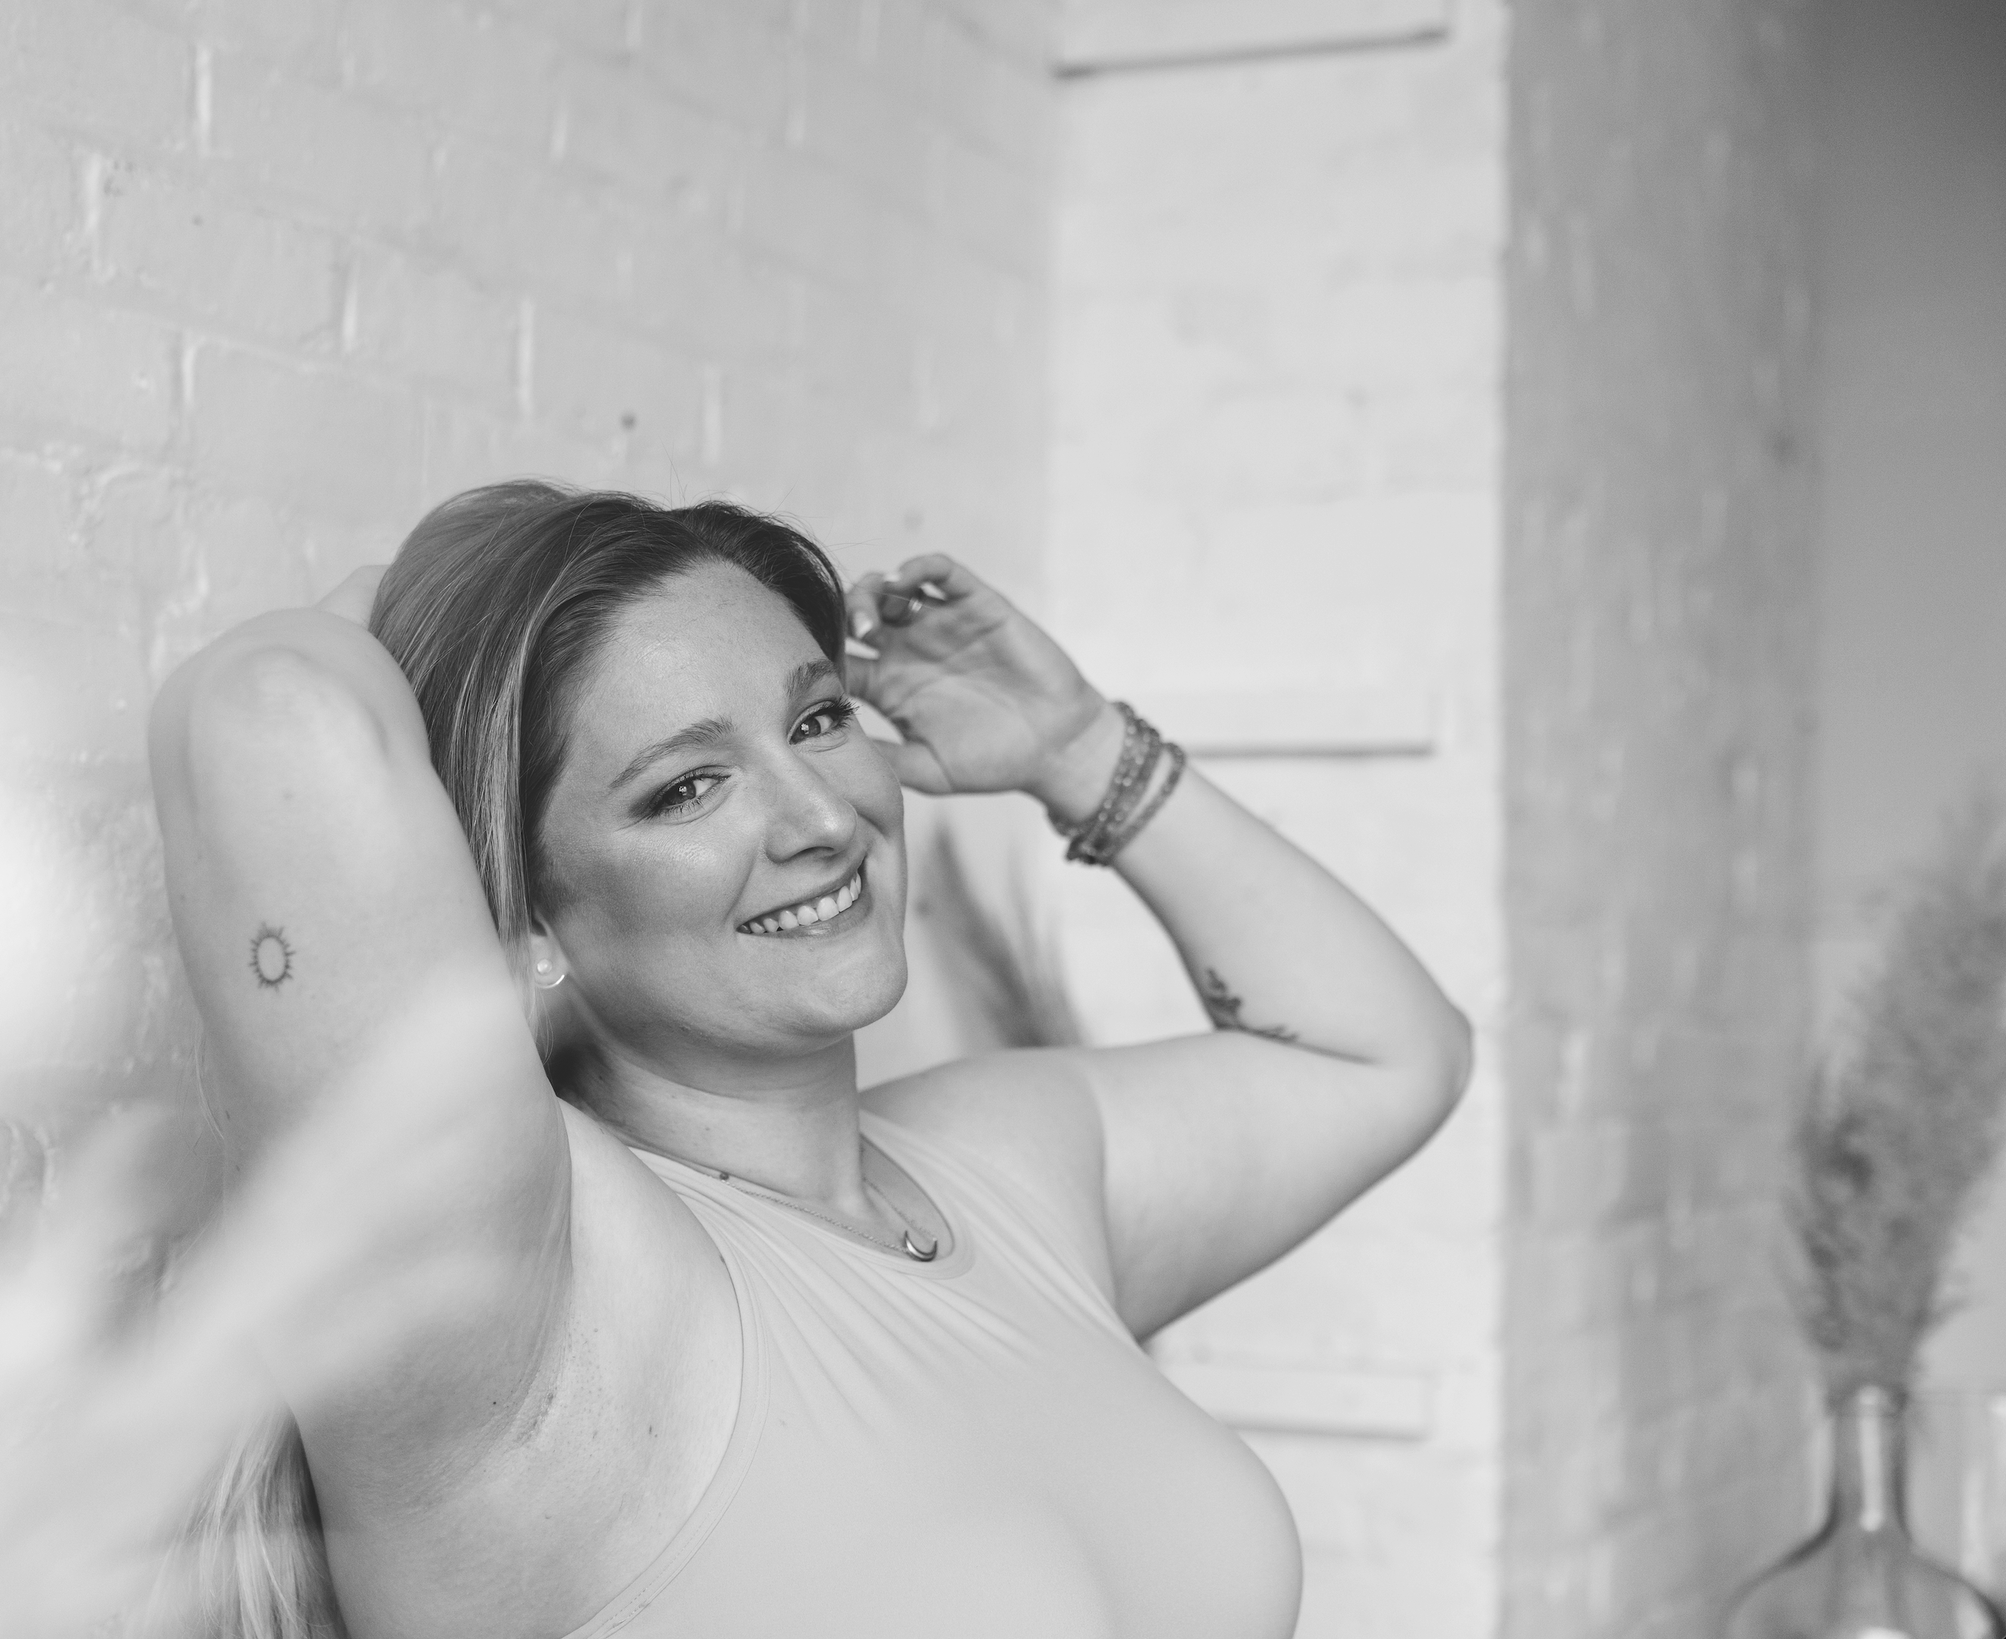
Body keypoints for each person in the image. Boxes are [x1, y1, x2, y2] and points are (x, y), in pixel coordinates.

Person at [146, 481, 1472, 1639]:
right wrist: (444, 608)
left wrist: (1079, 753)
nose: (822, 816)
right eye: (687, 786)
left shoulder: (1005, 1163)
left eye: (820, 719)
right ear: (533, 924)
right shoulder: (532, 1301)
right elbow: (272, 715)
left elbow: (1388, 1053)